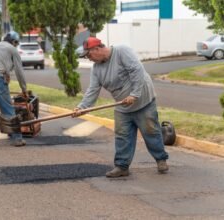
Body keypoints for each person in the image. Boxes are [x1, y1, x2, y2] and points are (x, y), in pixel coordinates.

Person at [72, 37, 169, 178]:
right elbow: (93, 89)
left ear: (97, 49)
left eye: (89, 55)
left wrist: (134, 94)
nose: (88, 58)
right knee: (122, 136)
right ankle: (122, 166)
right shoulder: (97, 69)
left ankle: (161, 159)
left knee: (151, 132)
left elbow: (137, 72)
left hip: (143, 101)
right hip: (122, 105)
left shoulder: (122, 51)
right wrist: (82, 107)